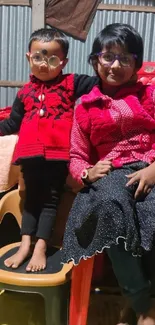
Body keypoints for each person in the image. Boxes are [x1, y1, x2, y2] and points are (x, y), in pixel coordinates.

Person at [61, 23, 155, 325]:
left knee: (151, 209)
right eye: (108, 56)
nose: (116, 65)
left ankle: (136, 303)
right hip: (113, 172)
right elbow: (76, 156)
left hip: (151, 164)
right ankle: (143, 305)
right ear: (95, 60)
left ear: (136, 64)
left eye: (125, 58)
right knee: (109, 206)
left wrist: (154, 170)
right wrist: (87, 173)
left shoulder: (149, 95)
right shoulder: (84, 107)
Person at [0, 28, 98, 272]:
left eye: (52, 59)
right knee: (31, 200)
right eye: (38, 58)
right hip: (29, 155)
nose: (44, 64)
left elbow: (102, 83)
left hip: (57, 156)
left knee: (50, 202)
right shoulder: (23, 93)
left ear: (63, 61)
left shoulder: (71, 83)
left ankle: (41, 246)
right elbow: (12, 123)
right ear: (28, 58)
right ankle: (25, 245)